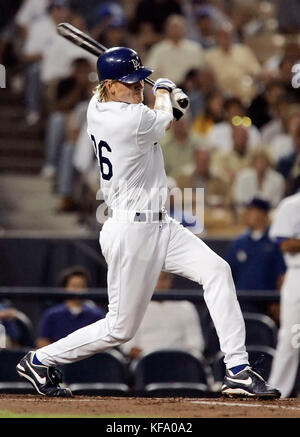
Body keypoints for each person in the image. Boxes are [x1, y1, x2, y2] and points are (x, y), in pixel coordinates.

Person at [17, 46, 280, 399]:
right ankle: (40, 359)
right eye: (129, 83)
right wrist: (167, 92)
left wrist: (167, 98)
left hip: (161, 225)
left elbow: (166, 113)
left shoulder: (101, 106)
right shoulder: (129, 120)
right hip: (131, 231)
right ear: (109, 86)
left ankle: (237, 370)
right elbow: (164, 116)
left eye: (140, 81)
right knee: (120, 329)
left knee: (217, 271)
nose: (137, 88)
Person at [120, 271, 205, 360]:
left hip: (180, 364)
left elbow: (195, 345)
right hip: (146, 364)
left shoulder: (186, 307)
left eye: (163, 279)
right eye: (154, 278)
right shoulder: (135, 308)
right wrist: (153, 359)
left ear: (170, 280)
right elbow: (129, 346)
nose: (158, 283)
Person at [268, 175, 300, 397]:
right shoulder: (291, 205)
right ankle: (279, 389)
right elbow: (284, 243)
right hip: (297, 274)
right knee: (290, 336)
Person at [225, 197, 286, 315]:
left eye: (251, 210)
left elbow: (282, 275)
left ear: (262, 214)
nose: (246, 214)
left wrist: (278, 300)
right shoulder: (238, 242)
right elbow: (228, 273)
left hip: (266, 303)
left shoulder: (274, 242)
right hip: (240, 302)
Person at [36, 266, 105, 348]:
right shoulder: (51, 315)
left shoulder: (96, 315)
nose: (77, 290)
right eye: (74, 286)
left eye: (82, 286)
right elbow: (42, 342)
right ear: (65, 288)